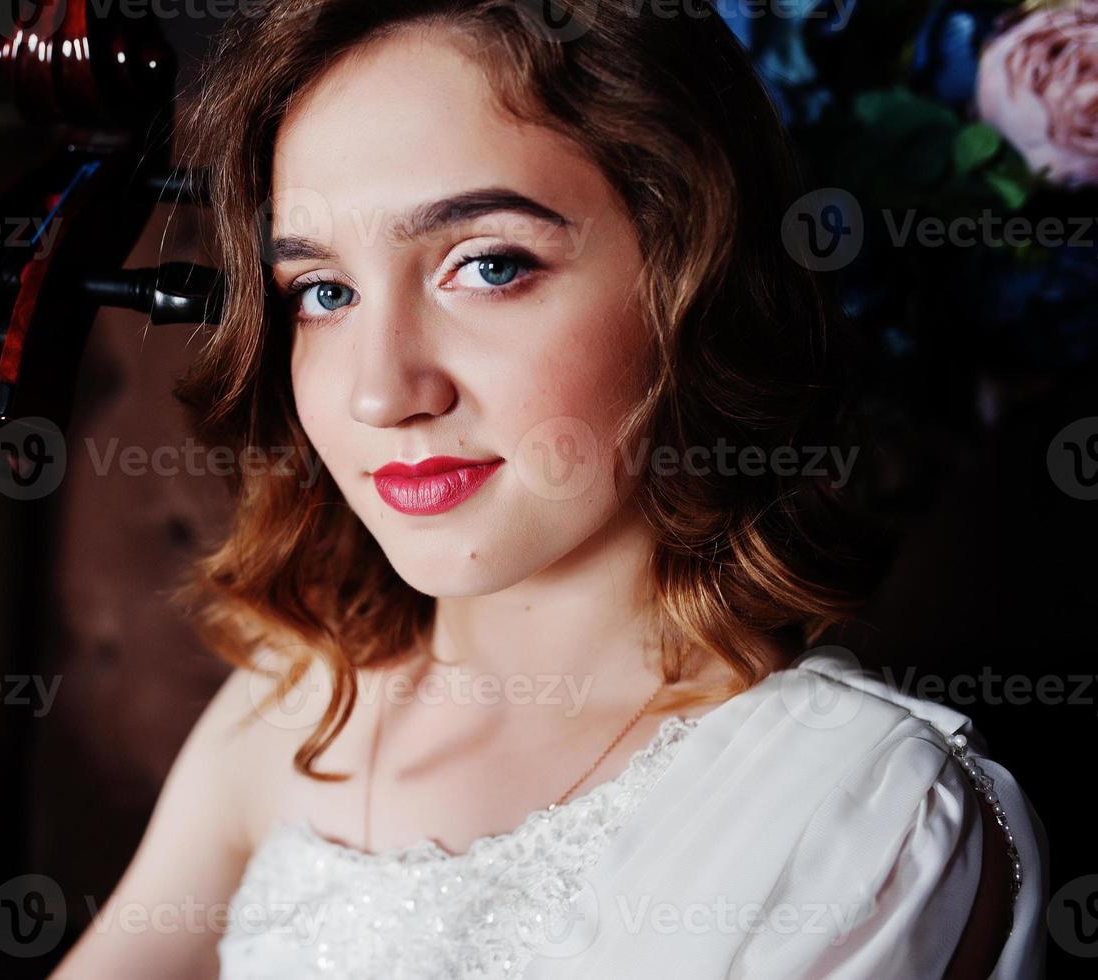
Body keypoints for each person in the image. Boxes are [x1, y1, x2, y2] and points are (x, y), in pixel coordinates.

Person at [53, 1, 1048, 976]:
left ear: (691, 276)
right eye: (325, 291)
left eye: (487, 265)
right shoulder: (293, 706)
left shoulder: (864, 809)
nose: (381, 389)